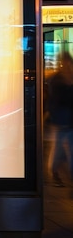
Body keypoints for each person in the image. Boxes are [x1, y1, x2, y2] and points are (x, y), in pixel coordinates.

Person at [46, 53, 73, 187]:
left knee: (65, 151)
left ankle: (58, 172)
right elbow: (58, 100)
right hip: (60, 121)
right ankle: (54, 171)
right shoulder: (57, 80)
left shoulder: (60, 79)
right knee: (57, 150)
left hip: (66, 122)